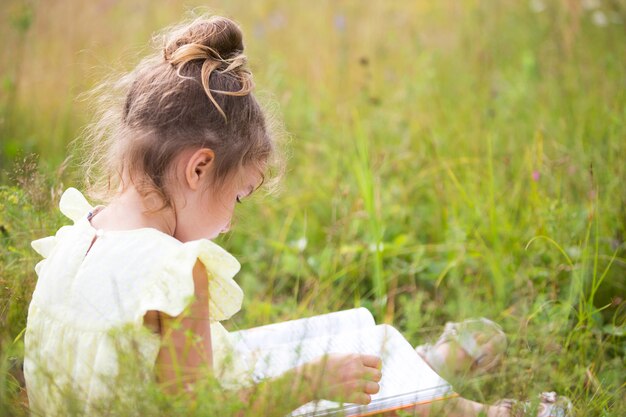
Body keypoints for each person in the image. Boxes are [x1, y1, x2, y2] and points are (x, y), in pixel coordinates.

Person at [23, 15, 571, 417]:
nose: (231, 223)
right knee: (347, 384)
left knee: (325, 340)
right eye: (237, 197)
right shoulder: (170, 272)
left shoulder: (75, 237)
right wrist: (309, 383)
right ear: (199, 169)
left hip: (209, 381)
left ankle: (418, 362)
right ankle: (485, 410)